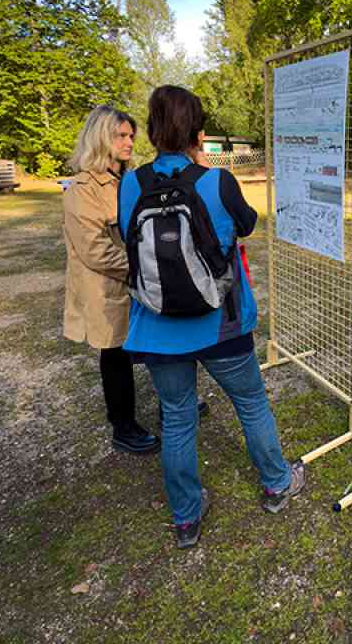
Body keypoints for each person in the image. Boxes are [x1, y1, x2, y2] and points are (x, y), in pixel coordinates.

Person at [118, 85, 304, 549]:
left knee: (178, 418)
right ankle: (277, 483)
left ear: (154, 128)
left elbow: (126, 235)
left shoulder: (131, 183)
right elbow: (245, 224)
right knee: (251, 403)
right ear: (198, 131)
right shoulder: (216, 182)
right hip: (221, 322)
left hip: (158, 327)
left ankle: (185, 517)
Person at [63, 106, 161, 454]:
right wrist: (142, 267)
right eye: (121, 135)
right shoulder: (82, 189)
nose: (129, 142)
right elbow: (94, 250)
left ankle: (172, 406)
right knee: (116, 354)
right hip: (108, 288)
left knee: (155, 343)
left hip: (138, 281)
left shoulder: (130, 181)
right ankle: (123, 427)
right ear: (101, 137)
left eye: (131, 135)